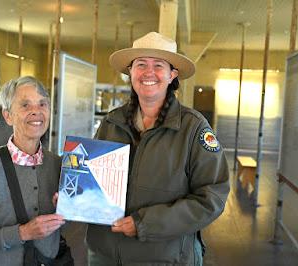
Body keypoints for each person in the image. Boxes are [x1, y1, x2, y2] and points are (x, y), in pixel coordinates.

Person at [86, 32, 230, 265]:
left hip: (165, 257)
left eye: (158, 65)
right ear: (130, 73)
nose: (148, 72)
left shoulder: (193, 128)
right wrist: (72, 195)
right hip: (105, 255)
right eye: (141, 64)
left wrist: (145, 223)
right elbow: (92, 180)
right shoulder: (111, 122)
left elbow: (211, 198)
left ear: (172, 74)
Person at [0, 76, 65, 265]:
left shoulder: (57, 164)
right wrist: (23, 232)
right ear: (8, 115)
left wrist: (67, 209)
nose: (36, 112)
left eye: (43, 104)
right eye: (25, 105)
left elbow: (63, 223)